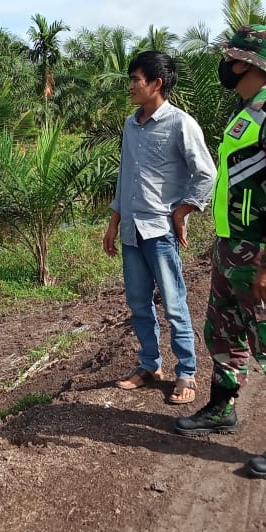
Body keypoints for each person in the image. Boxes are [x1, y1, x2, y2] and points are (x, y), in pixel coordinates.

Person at [174, 24, 266, 479]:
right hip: (232, 249)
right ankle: (221, 408)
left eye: (229, 58)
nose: (224, 65)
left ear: (247, 64)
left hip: (261, 253)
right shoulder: (248, 112)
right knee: (222, 331)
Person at [103, 50, 217, 405]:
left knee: (174, 304)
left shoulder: (181, 123)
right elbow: (125, 175)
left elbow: (207, 174)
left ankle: (186, 372)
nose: (130, 86)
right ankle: (150, 365)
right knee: (138, 303)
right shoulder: (130, 124)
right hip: (131, 230)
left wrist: (182, 211)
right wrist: (114, 221)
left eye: (135, 80)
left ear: (157, 83)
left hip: (160, 231)